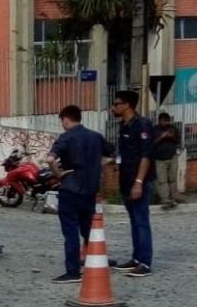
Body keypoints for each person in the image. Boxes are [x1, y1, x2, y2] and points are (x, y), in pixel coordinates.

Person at [46, 105, 114, 284]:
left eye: (62, 121)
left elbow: (50, 159)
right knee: (88, 230)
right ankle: (97, 259)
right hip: (90, 190)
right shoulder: (96, 137)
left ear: (66, 120)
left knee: (70, 231)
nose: (62, 125)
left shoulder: (66, 138)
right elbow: (111, 156)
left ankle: (73, 271)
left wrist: (59, 174)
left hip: (70, 189)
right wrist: (96, 166)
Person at [111, 90, 154, 277]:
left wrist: (138, 182)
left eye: (116, 103)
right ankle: (136, 258)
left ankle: (145, 262)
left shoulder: (142, 125)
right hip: (126, 180)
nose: (114, 107)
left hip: (139, 182)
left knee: (141, 220)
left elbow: (146, 155)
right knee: (134, 221)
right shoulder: (124, 125)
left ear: (127, 105)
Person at [153, 112, 183, 209]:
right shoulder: (155, 130)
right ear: (160, 121)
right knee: (162, 180)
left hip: (172, 157)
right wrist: (162, 137)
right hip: (160, 159)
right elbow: (151, 143)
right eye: (163, 121)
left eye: (167, 121)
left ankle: (174, 197)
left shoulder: (173, 128)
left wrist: (171, 137)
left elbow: (178, 140)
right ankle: (165, 199)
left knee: (172, 178)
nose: (165, 123)